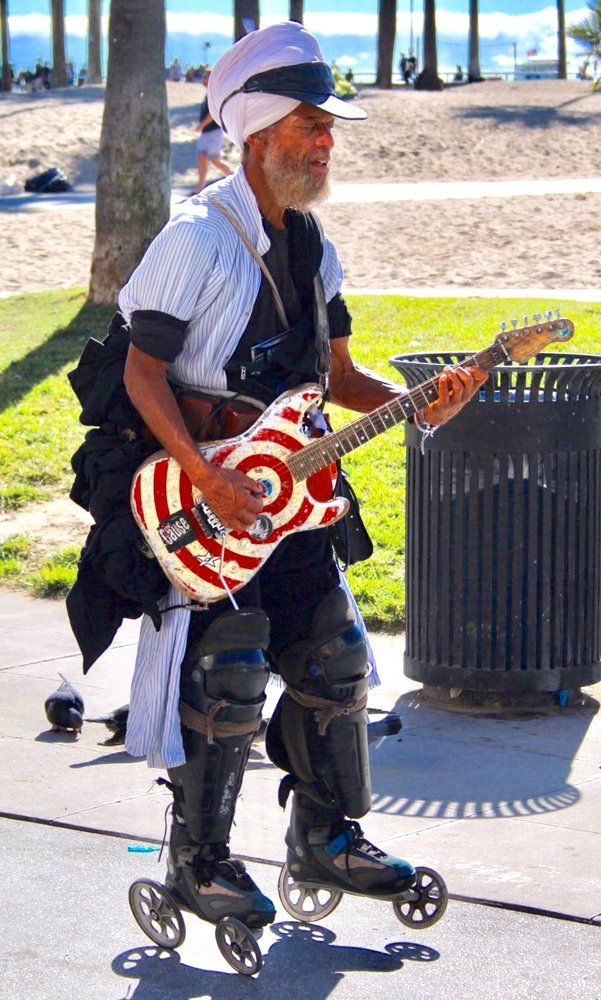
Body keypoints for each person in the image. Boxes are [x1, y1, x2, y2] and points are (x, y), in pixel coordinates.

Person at [104, 21, 487, 930]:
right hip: (206, 497)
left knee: (338, 657)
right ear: (257, 133)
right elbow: (140, 371)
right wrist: (202, 473)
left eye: (328, 128)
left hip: (293, 494)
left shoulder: (314, 247)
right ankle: (199, 860)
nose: (325, 142)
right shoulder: (194, 240)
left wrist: (418, 395)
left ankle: (326, 838)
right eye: (309, 126)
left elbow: (338, 377)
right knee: (229, 667)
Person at [194, 68, 234, 191]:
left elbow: (212, 114)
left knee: (214, 159)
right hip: (205, 133)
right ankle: (199, 188)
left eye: (205, 76)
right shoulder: (209, 94)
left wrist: (201, 125)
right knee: (201, 157)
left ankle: (234, 177)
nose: (203, 78)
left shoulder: (214, 94)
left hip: (214, 132)